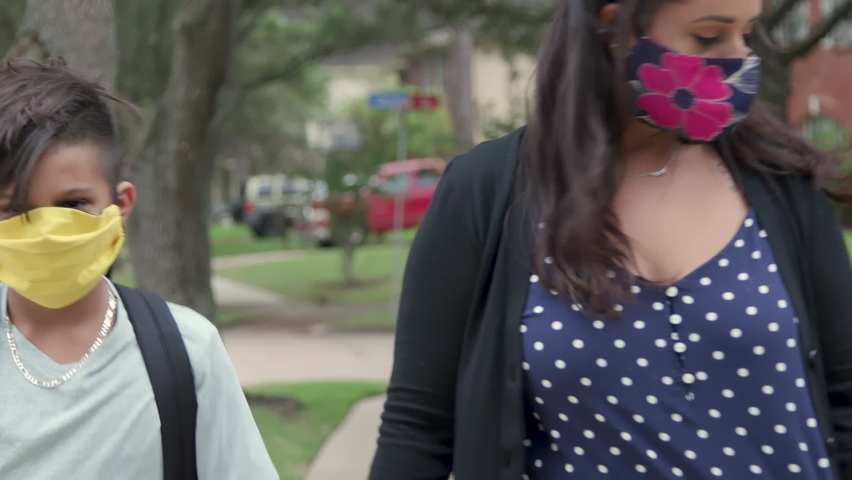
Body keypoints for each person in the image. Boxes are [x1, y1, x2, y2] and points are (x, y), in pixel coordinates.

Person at [368, 0, 852, 479]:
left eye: (747, 33)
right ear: (613, 26)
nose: (739, 58)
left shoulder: (781, 181)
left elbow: (846, 392)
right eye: (708, 36)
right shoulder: (487, 190)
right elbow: (418, 430)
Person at [0, 59, 279, 479]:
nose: (46, 233)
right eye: (14, 210)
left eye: (73, 206)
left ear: (121, 205)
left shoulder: (185, 350)